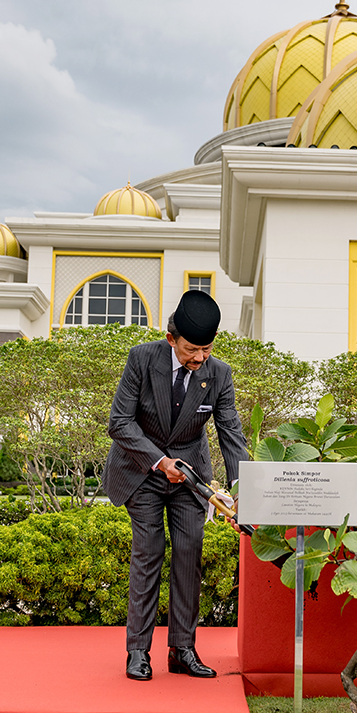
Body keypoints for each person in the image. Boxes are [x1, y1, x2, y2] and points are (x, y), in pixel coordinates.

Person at [103, 290, 248, 681]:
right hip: (142, 469)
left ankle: (182, 649)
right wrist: (159, 461)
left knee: (189, 555)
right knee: (148, 554)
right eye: (191, 349)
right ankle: (138, 651)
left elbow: (230, 432)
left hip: (190, 476)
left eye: (206, 349)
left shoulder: (219, 373)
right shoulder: (141, 359)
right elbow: (119, 423)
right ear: (171, 339)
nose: (199, 358)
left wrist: (243, 491)